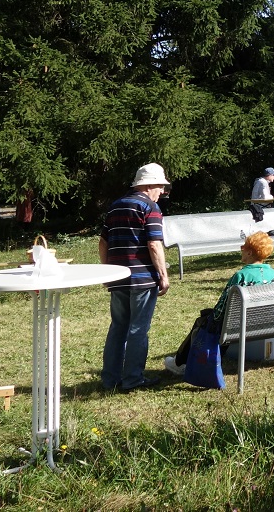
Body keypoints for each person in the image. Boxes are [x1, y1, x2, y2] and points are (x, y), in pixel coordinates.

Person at [165, 231, 274, 375]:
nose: (241, 249)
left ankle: (179, 363)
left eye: (243, 247)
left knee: (202, 321)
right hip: (263, 322)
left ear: (250, 253)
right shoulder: (273, 274)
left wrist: (211, 316)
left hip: (237, 325)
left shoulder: (241, 276)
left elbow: (223, 306)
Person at [99, 163, 172, 392]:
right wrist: (163, 275)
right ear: (149, 185)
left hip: (118, 276)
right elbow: (154, 243)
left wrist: (107, 270)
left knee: (118, 327)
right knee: (138, 329)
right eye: (160, 187)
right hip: (142, 278)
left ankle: (110, 379)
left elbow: (103, 242)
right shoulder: (150, 208)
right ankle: (133, 379)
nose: (162, 192)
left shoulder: (115, 206)